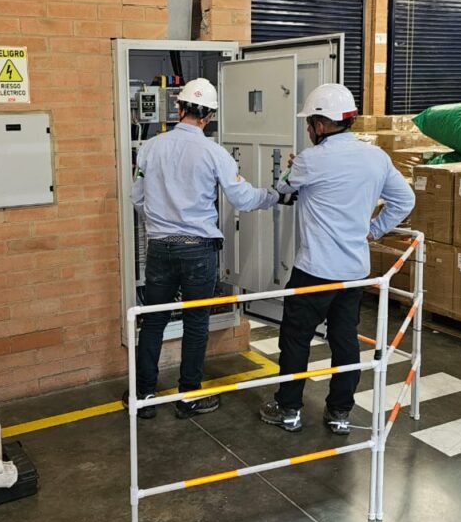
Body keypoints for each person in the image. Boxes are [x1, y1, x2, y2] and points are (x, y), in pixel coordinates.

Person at [259, 82, 415, 435]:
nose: (308, 130)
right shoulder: (376, 157)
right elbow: (405, 200)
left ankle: (289, 409)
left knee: (296, 338)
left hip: (315, 270)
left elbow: (283, 187)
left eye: (309, 123)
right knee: (345, 341)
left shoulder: (311, 159)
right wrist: (375, 230)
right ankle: (340, 413)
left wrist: (292, 167)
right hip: (354, 270)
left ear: (320, 124)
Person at [125, 77, 279, 419]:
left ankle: (143, 395)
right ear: (209, 116)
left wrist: (160, 222)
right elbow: (243, 198)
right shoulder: (214, 152)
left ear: (179, 107)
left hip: (159, 248)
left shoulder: (150, 148)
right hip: (198, 250)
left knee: (153, 320)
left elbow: (137, 197)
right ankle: (189, 397)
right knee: (196, 323)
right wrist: (273, 195)